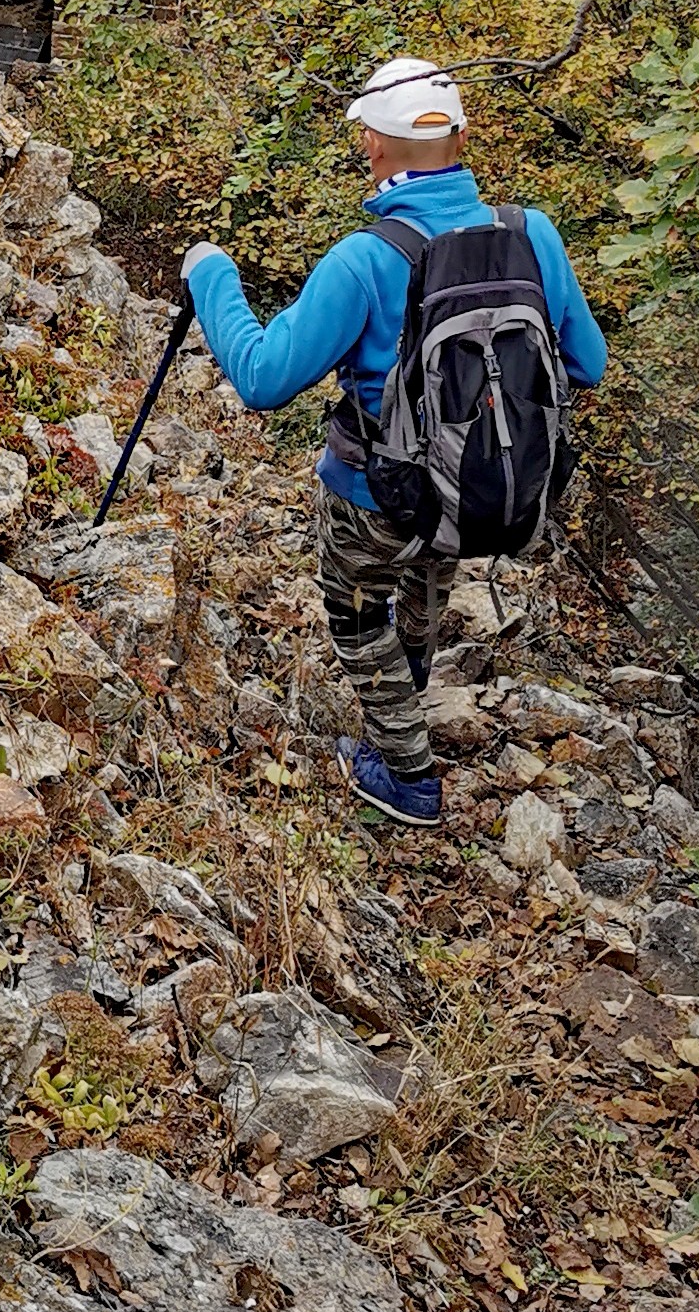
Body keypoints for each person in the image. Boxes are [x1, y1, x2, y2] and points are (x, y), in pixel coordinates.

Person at [178, 55, 609, 827]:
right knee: (423, 590)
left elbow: (263, 378)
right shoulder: (531, 234)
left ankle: (406, 774)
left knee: (355, 617)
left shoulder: (366, 260)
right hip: (478, 485)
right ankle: (403, 703)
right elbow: (589, 363)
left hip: (373, 497)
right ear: (464, 137)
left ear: (372, 147)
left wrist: (211, 275)